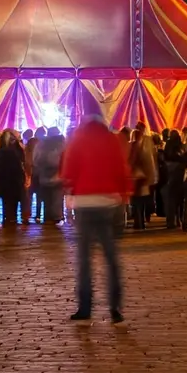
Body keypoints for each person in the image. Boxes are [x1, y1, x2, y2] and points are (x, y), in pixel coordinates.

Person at [62, 115, 132, 324]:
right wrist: (124, 194)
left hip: (84, 202)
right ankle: (115, 307)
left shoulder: (78, 139)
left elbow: (68, 171)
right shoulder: (111, 140)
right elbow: (121, 169)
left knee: (84, 258)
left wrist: (71, 189)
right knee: (110, 256)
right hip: (107, 201)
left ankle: (85, 307)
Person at [0, 130, 26, 227]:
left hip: (4, 181)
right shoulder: (16, 151)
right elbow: (19, 168)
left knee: (6, 203)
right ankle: (12, 220)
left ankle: (8, 220)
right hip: (14, 181)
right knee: (13, 202)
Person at [129, 125, 158, 230]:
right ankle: (142, 220)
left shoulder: (135, 145)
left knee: (137, 200)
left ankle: (139, 222)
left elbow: (132, 160)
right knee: (141, 200)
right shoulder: (147, 142)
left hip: (137, 176)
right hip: (145, 175)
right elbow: (153, 159)